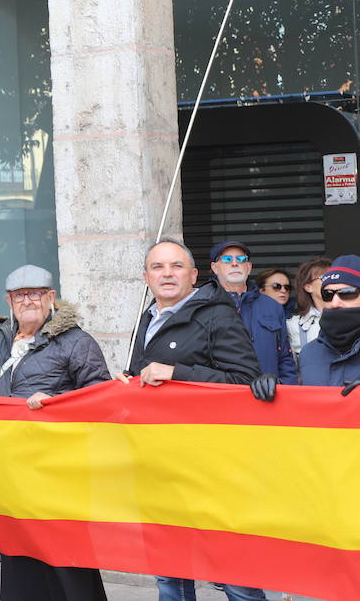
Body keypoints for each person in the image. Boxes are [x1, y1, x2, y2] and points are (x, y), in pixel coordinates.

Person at [0, 265, 110, 601]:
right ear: (9, 301)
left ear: (50, 298)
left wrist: (57, 402)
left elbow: (101, 397)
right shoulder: (0, 339)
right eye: (19, 295)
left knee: (67, 562)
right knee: (20, 556)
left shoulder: (76, 341)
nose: (26, 300)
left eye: (35, 293)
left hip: (57, 471)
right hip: (12, 470)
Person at [128, 239, 266, 601]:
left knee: (232, 569)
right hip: (161, 460)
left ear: (193, 275)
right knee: (170, 571)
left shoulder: (217, 313)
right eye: (158, 267)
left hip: (214, 463)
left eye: (176, 266)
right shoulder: (147, 317)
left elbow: (245, 382)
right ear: (146, 277)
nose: (167, 274)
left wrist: (177, 372)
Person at [208, 241, 297, 384]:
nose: (235, 263)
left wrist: (285, 389)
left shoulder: (273, 306)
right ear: (215, 268)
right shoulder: (203, 304)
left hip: (268, 397)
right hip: (222, 397)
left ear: (249, 267)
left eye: (241, 259)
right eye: (227, 259)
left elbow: (285, 358)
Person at [298, 255, 360, 385]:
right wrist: (277, 390)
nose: (335, 303)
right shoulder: (309, 353)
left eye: (347, 293)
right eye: (328, 294)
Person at [288, 256, 329, 356]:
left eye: (333, 276)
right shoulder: (293, 326)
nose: (330, 281)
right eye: (324, 277)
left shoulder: (352, 318)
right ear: (308, 287)